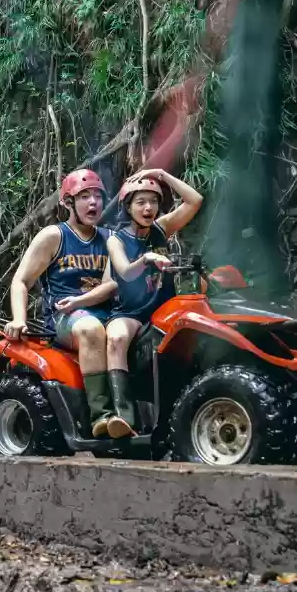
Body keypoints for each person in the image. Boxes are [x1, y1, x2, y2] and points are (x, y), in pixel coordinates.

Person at [4, 169, 119, 431]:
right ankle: (100, 415)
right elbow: (21, 280)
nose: (93, 203)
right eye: (84, 197)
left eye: (98, 197)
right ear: (68, 203)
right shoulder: (54, 236)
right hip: (64, 318)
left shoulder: (110, 238)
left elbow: (113, 285)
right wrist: (19, 319)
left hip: (106, 312)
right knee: (91, 329)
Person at [101, 168, 204, 437]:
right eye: (141, 202)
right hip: (131, 311)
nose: (149, 208)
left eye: (154, 201)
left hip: (164, 308)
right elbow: (124, 271)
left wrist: (162, 174)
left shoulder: (161, 228)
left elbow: (194, 201)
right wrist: (146, 259)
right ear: (127, 206)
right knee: (115, 337)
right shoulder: (116, 239)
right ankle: (124, 415)